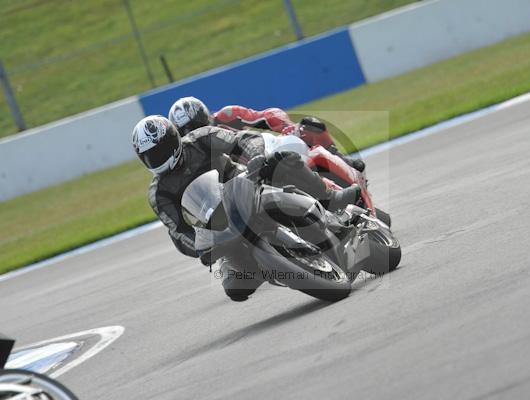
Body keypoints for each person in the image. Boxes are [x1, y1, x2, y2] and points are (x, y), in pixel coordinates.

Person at [132, 115, 360, 301]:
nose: (155, 159)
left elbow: (244, 139)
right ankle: (280, 269)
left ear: (173, 141)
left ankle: (330, 198)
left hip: (245, 186)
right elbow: (180, 232)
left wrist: (256, 158)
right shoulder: (158, 192)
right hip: (219, 226)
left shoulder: (201, 139)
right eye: (148, 157)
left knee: (284, 160)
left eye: (159, 152)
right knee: (235, 287)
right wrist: (202, 247)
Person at [168, 97, 366, 172]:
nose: (199, 133)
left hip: (268, 152)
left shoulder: (228, 116)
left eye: (199, 126)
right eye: (190, 132)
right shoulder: (189, 154)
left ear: (207, 117)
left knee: (309, 126)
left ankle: (340, 158)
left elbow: (268, 114)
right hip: (245, 183)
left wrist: (287, 127)